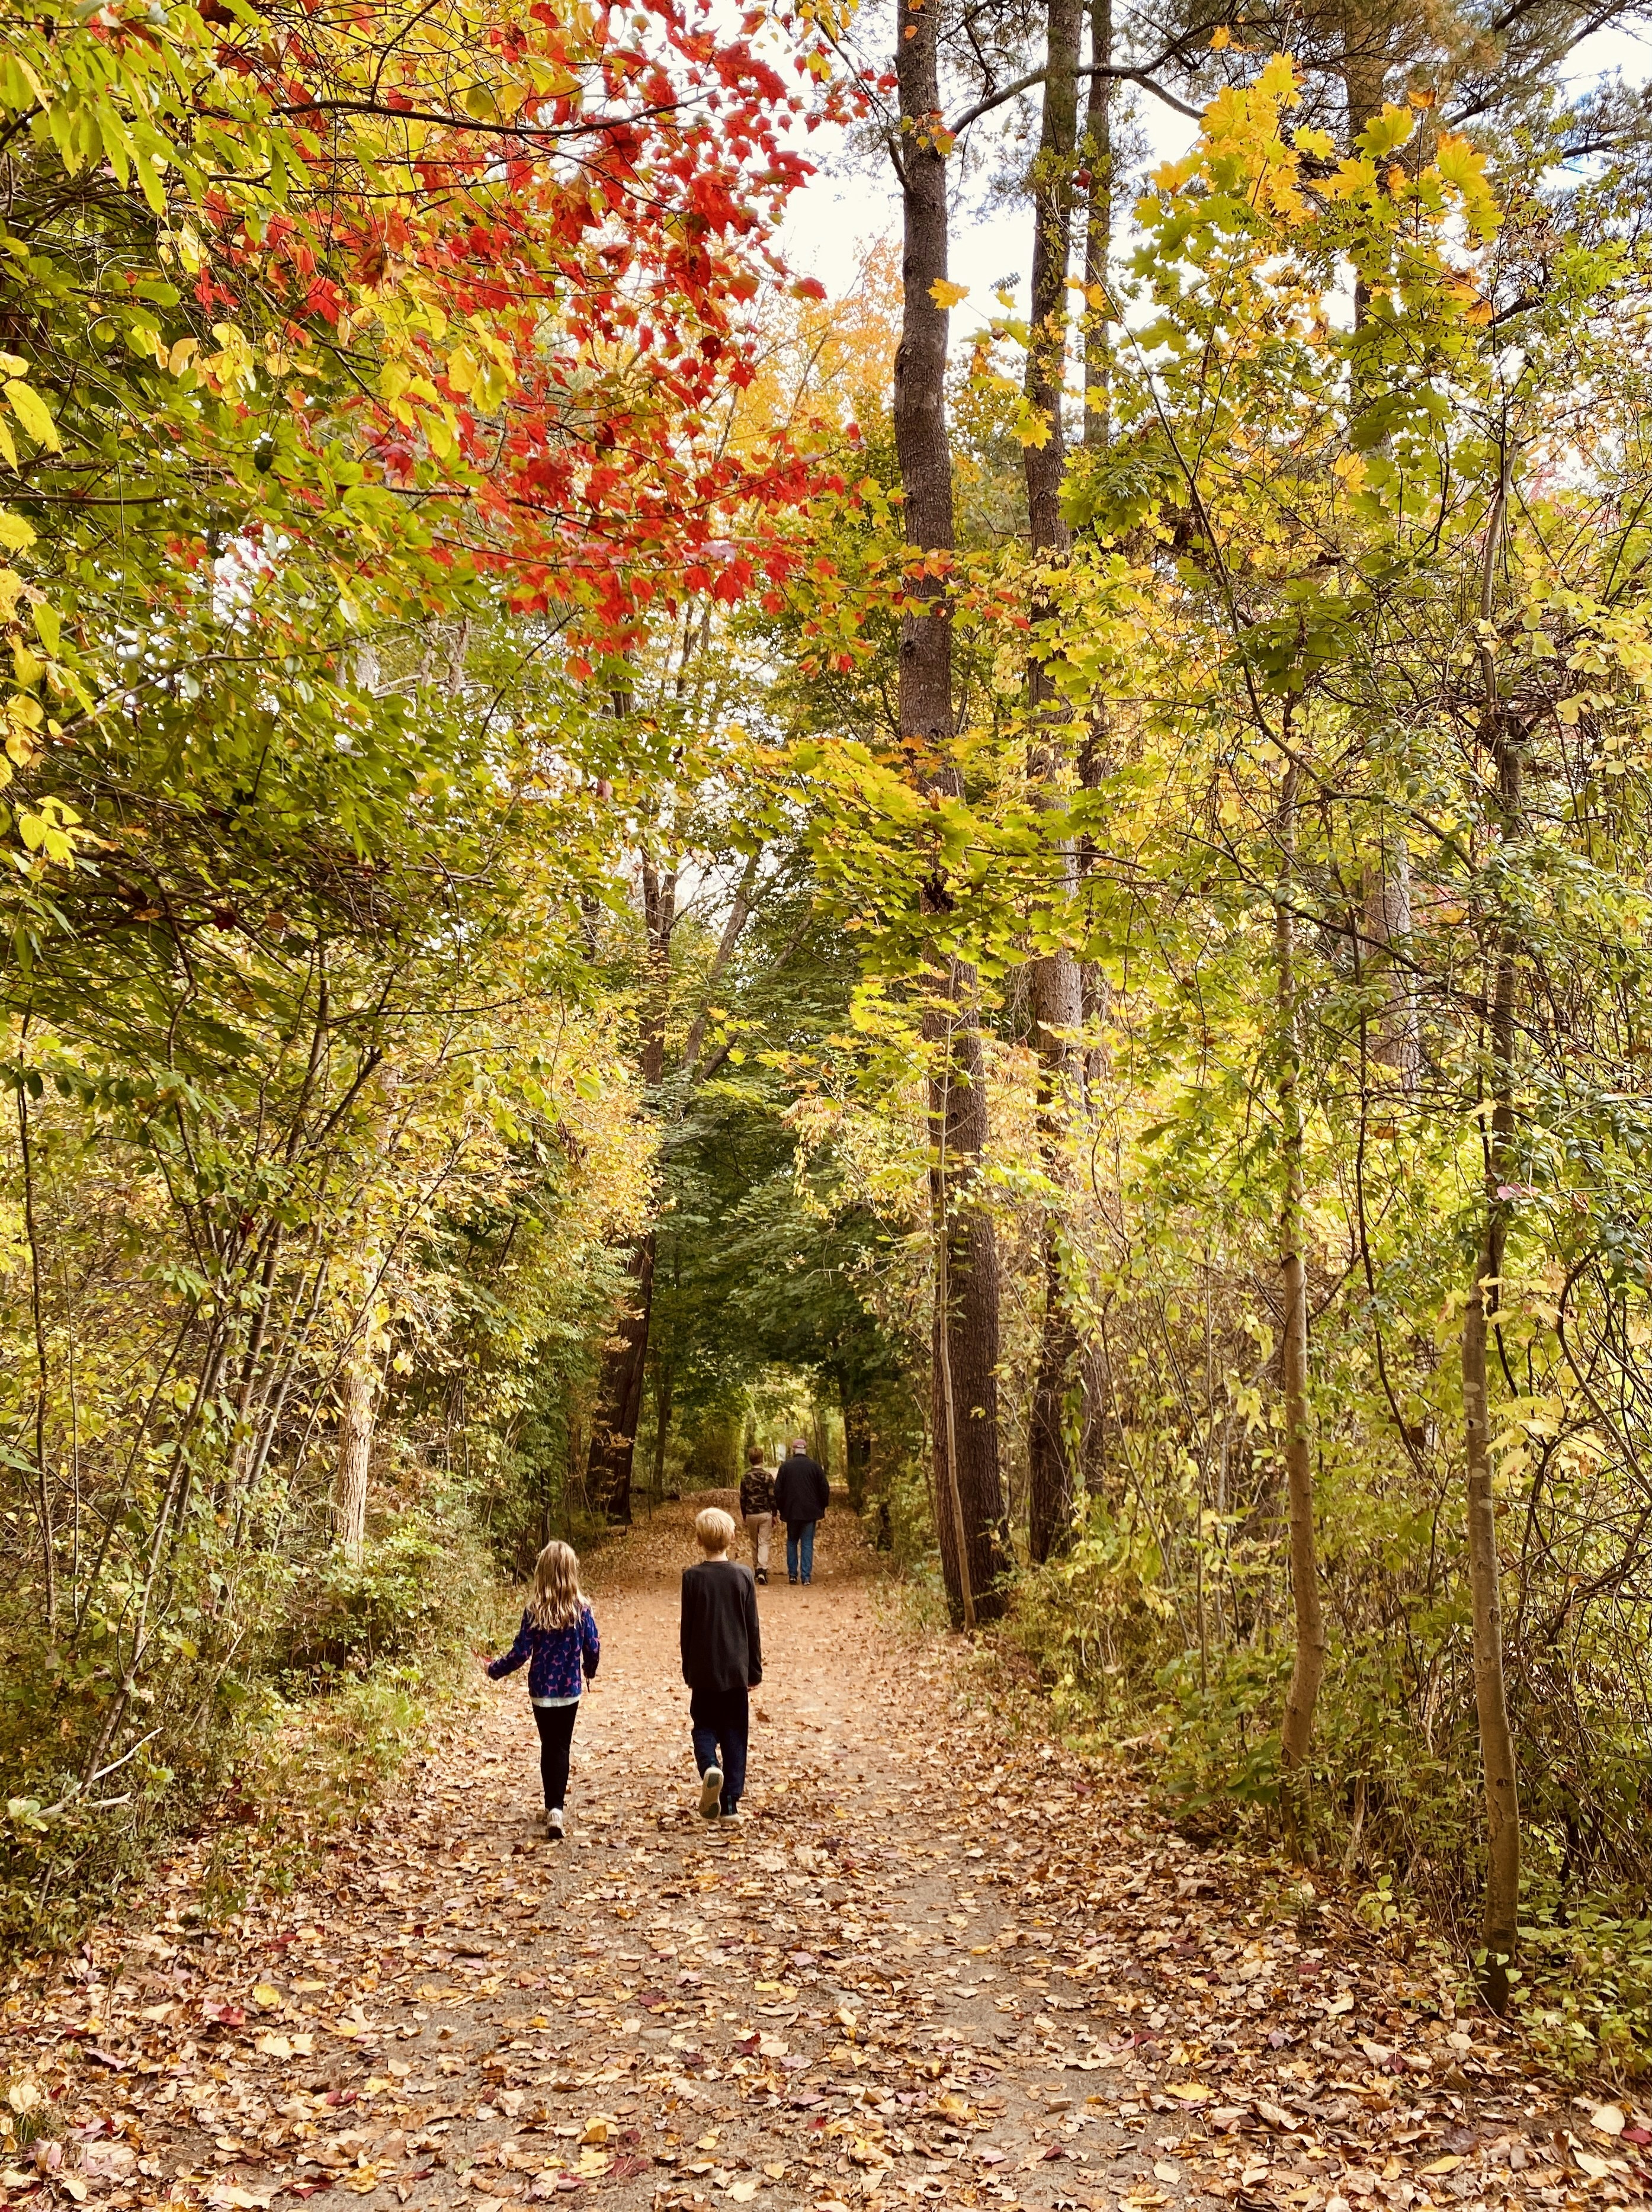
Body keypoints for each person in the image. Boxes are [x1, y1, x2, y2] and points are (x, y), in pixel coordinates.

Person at [485, 1539, 600, 1842]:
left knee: (549, 1744)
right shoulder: (581, 1610)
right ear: (571, 1572)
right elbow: (593, 1646)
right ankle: (556, 1810)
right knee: (561, 1746)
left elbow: (520, 1653)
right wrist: (590, 1669)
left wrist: (494, 1670)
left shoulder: (535, 1611)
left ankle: (552, 1807)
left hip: (541, 1690)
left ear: (543, 1573)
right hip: (569, 1689)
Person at [679, 1506, 762, 1824]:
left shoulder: (692, 1578)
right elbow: (751, 1627)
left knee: (703, 1725)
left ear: (699, 1540)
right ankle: (730, 1805)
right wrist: (755, 1670)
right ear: (732, 1536)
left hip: (703, 1671)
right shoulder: (743, 1576)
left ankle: (709, 1766)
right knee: (735, 1733)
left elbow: (687, 1628)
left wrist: (689, 1669)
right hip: (736, 1671)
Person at [774, 1435, 829, 1587]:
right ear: (806, 1450)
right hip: (810, 1512)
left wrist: (781, 1508)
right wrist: (822, 1506)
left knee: (792, 1542)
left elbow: (777, 1490)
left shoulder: (785, 1467)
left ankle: (792, 1575)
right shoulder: (815, 1467)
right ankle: (806, 1577)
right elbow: (824, 1488)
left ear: (793, 1450)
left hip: (791, 1512)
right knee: (807, 1543)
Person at [739, 1445, 777, 1583]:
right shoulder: (767, 1477)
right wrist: (774, 1513)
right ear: (762, 1459)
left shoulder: (745, 1478)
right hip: (765, 1513)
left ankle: (756, 1569)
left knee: (754, 1542)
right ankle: (763, 1569)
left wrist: (744, 1515)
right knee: (764, 1542)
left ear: (750, 1460)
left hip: (751, 1514)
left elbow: (743, 1498)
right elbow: (772, 1496)